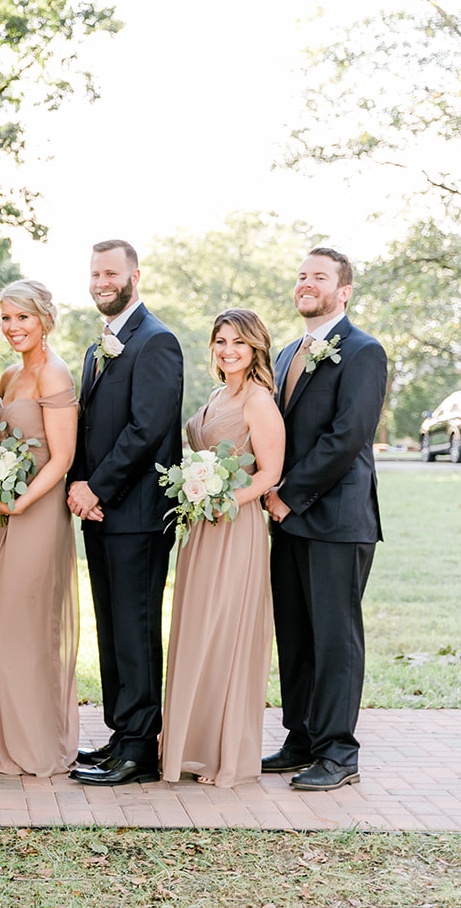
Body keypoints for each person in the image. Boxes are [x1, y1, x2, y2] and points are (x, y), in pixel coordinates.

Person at [262, 248, 388, 791]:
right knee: (294, 634)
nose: (306, 284)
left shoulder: (363, 351)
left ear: (344, 291)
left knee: (336, 639)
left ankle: (339, 752)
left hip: (337, 521)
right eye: (301, 276)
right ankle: (302, 737)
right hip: (286, 520)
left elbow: (347, 437)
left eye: (319, 277)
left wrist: (289, 494)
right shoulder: (289, 352)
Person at [67, 239, 184, 787]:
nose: (100, 282)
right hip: (101, 513)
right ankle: (121, 733)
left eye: (110, 272)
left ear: (137, 275)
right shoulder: (101, 346)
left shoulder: (156, 341)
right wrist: (78, 484)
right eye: (94, 273)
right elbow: (90, 429)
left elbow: (147, 430)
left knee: (135, 628)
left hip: (136, 513)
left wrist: (97, 488)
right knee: (112, 628)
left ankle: (141, 746)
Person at [160, 309, 284, 787]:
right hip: (202, 527)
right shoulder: (216, 394)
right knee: (197, 630)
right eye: (220, 341)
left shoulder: (258, 401)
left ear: (255, 349)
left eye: (238, 342)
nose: (228, 350)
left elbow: (270, 474)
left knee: (224, 631)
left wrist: (223, 500)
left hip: (234, 527)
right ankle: (189, 744)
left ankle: (222, 755)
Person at [0, 280, 80, 777]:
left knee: (24, 625)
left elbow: (61, 459)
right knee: (0, 625)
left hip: (36, 511)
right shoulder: (8, 376)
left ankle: (35, 744)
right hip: (5, 512)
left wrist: (19, 501)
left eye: (22, 318)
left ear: (44, 319)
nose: (12, 327)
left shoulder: (54, 374)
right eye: (6, 318)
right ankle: (1, 744)